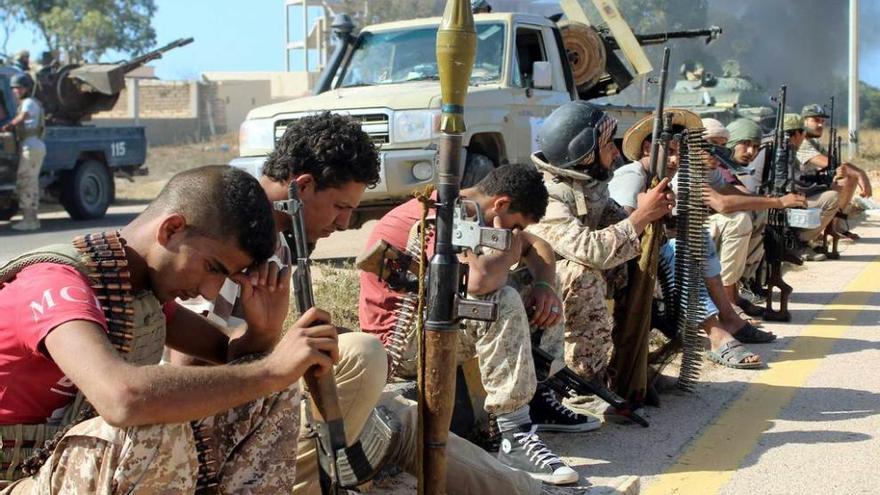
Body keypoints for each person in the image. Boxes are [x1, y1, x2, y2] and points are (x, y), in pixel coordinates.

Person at [0, 165, 342, 493]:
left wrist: (263, 334)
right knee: (154, 421)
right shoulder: (52, 284)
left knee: (272, 392)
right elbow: (122, 399)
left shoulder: (137, 294)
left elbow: (231, 360)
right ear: (171, 229)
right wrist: (271, 369)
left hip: (56, 469)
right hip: (13, 481)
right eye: (212, 267)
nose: (211, 290)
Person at [167, 113, 389, 495]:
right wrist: (275, 354)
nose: (344, 223)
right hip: (192, 431)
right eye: (340, 206)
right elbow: (186, 366)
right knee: (362, 353)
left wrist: (271, 340)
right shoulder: (235, 230)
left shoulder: (279, 239)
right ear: (302, 187)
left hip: (236, 404)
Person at [360, 163, 592, 486]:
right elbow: (479, 282)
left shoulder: (469, 209)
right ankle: (513, 436)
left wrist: (544, 287)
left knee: (534, 287)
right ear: (501, 204)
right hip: (404, 346)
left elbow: (539, 247)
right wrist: (509, 256)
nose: (514, 233)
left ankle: (537, 398)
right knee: (503, 299)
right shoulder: (440, 213)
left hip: (432, 321)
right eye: (514, 224)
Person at [525, 101, 674, 392]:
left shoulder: (588, 186)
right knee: (582, 273)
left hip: (557, 290)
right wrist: (642, 215)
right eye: (608, 146)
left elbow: (620, 227)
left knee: (636, 261)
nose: (616, 152)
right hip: (535, 289)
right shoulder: (549, 197)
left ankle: (628, 367)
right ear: (583, 153)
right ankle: (584, 382)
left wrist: (652, 215)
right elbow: (591, 250)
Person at [610, 112, 769, 370]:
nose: (675, 160)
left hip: (646, 254)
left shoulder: (665, 177)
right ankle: (715, 334)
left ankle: (728, 316)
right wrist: (649, 208)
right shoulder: (632, 175)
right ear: (648, 147)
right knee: (677, 249)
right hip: (620, 260)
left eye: (679, 153)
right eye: (669, 151)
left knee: (697, 234)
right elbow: (621, 227)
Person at [701, 118, 807, 319]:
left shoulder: (710, 170)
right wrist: (778, 202)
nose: (718, 152)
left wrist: (772, 201)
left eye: (722, 146)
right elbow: (721, 203)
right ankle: (728, 300)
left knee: (754, 211)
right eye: (712, 145)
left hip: (701, 230)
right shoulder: (688, 169)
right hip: (681, 238)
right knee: (738, 220)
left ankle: (734, 294)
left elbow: (733, 192)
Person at [797, 103, 869, 241]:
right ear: (803, 121)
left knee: (847, 176)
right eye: (816, 120)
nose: (820, 125)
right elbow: (827, 163)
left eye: (822, 121)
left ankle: (836, 227)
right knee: (847, 177)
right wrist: (860, 174)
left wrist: (856, 172)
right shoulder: (801, 142)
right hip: (800, 193)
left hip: (810, 189)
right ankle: (812, 236)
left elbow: (837, 166)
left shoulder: (813, 142)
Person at [779, 114, 840, 250]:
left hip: (783, 199)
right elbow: (794, 182)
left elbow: (796, 177)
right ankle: (799, 242)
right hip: (782, 203)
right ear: (798, 134)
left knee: (827, 190)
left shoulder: (783, 147)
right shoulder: (785, 150)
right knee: (832, 198)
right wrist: (820, 183)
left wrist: (819, 180)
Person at [0, 73, 45, 231]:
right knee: (26, 181)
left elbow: (22, 117)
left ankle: (30, 220)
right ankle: (30, 218)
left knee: (27, 182)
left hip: (32, 145)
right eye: (13, 88)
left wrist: (9, 125)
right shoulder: (26, 103)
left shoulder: (29, 103)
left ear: (26, 88)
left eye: (19, 87)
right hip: (30, 145)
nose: (15, 91)